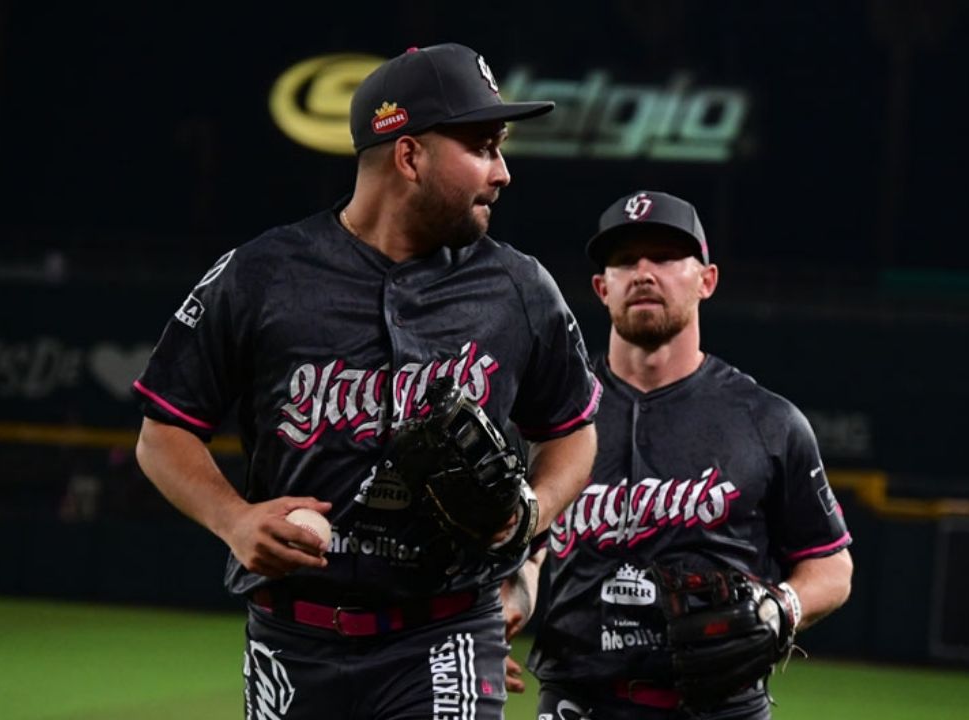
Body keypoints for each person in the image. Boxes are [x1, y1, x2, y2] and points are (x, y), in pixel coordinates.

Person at [132, 43, 600, 720]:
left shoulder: (518, 288)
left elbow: (573, 434)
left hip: (445, 631)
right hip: (291, 636)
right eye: (482, 145)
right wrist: (233, 519)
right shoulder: (262, 275)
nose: (501, 172)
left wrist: (532, 512)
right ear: (409, 157)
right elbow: (163, 431)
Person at [525, 190, 854, 720]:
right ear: (601, 287)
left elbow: (831, 562)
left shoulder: (767, 420)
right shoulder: (554, 415)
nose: (644, 272)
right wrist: (506, 603)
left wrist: (782, 608)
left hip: (719, 705)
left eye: (666, 256)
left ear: (707, 280)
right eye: (626, 260)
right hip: (576, 700)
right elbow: (525, 546)